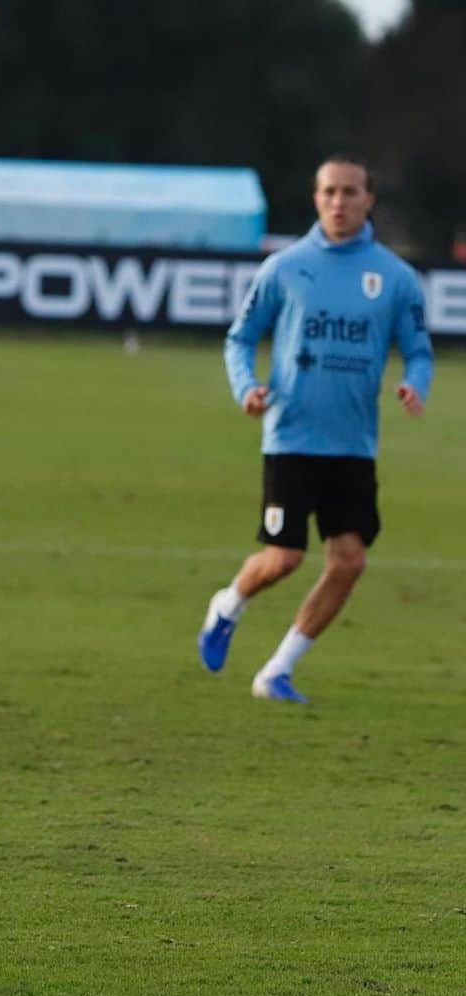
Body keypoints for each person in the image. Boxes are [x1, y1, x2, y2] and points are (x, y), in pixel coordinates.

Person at [197, 153, 433, 703]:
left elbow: (419, 350)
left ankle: (277, 670)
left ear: (369, 200)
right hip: (292, 435)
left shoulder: (395, 278)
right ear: (315, 198)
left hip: (353, 442)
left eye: (350, 192)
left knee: (350, 561)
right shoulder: (284, 267)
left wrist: (415, 384)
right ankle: (227, 604)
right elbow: (240, 337)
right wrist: (246, 387)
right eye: (329, 192)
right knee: (284, 557)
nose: (338, 203)